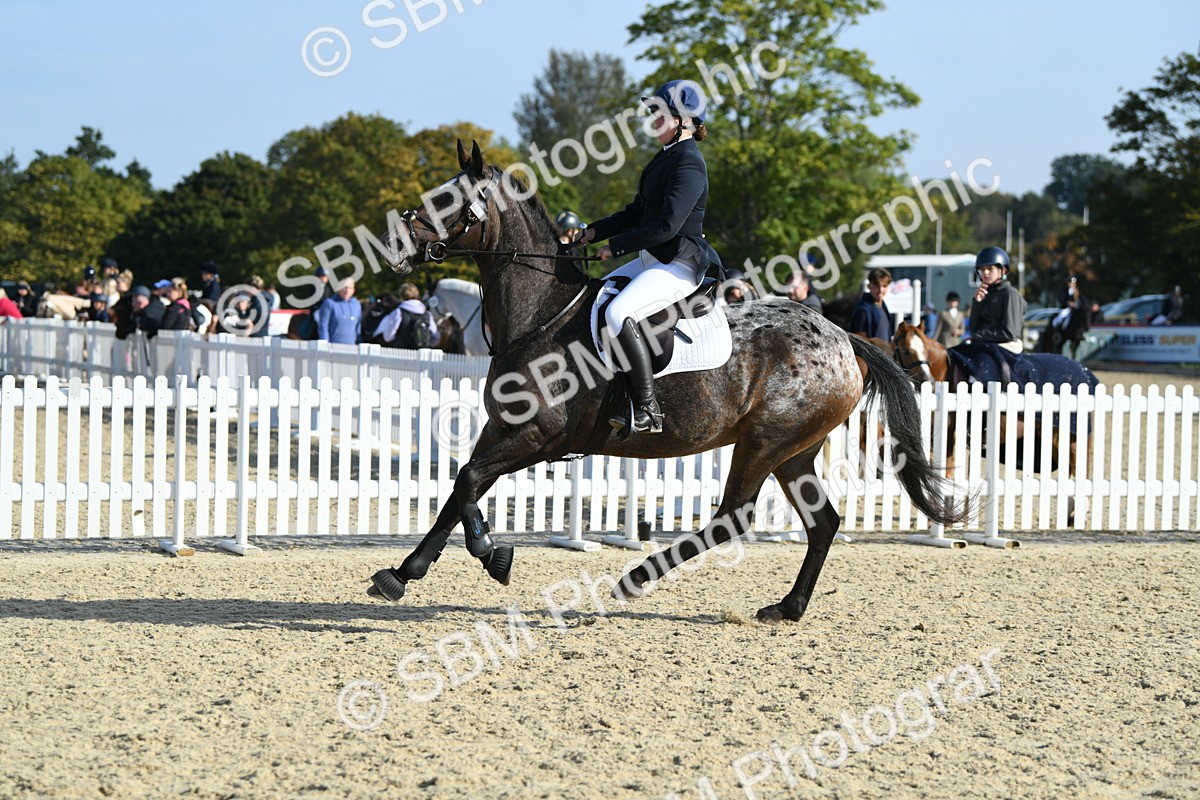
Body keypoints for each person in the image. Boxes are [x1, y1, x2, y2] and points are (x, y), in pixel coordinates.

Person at [573, 79, 723, 435]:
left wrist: (616, 247)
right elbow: (636, 211)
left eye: (660, 111)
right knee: (595, 297)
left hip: (680, 263)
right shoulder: (666, 157)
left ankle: (647, 408)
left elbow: (667, 226)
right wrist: (595, 231)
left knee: (618, 311)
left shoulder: (689, 163)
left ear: (684, 120)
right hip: (653, 258)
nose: (653, 117)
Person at [965, 246, 1026, 353]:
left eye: (990, 269)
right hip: (986, 344)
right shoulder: (984, 293)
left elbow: (1008, 333)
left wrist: (977, 336)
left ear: (1003, 270)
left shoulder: (1010, 293)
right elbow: (973, 329)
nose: (985, 273)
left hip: (1007, 346)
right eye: (982, 270)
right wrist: (977, 303)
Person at [378, 283, 440, 349]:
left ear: (401, 295)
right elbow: (436, 337)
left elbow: (388, 337)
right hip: (422, 355)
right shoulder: (427, 314)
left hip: (401, 353)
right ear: (417, 295)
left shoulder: (398, 312)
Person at [849, 268, 894, 341]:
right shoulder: (863, 310)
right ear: (869, 286)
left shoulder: (883, 307)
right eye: (877, 286)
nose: (880, 290)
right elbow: (861, 343)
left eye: (884, 286)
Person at [314, 277, 360, 344]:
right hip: (333, 346)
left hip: (351, 347)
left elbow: (358, 326)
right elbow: (323, 325)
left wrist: (359, 342)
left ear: (353, 290)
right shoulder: (329, 303)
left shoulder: (356, 305)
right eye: (344, 287)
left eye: (350, 288)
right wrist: (325, 342)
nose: (347, 290)